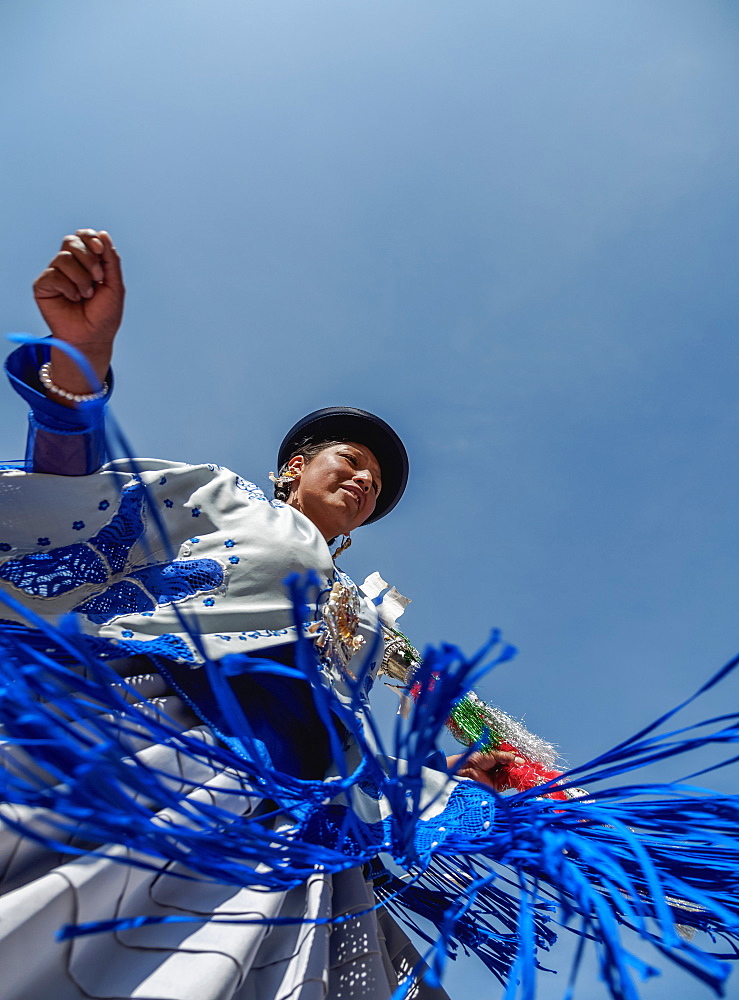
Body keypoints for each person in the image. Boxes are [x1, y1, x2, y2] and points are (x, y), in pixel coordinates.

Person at [2, 231, 739, 1000]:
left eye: (374, 481)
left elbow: (342, 724)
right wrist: (77, 365)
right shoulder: (221, 499)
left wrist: (450, 772)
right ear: (293, 471)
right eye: (347, 462)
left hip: (288, 811)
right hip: (146, 726)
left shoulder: (365, 622)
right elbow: (70, 512)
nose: (361, 479)